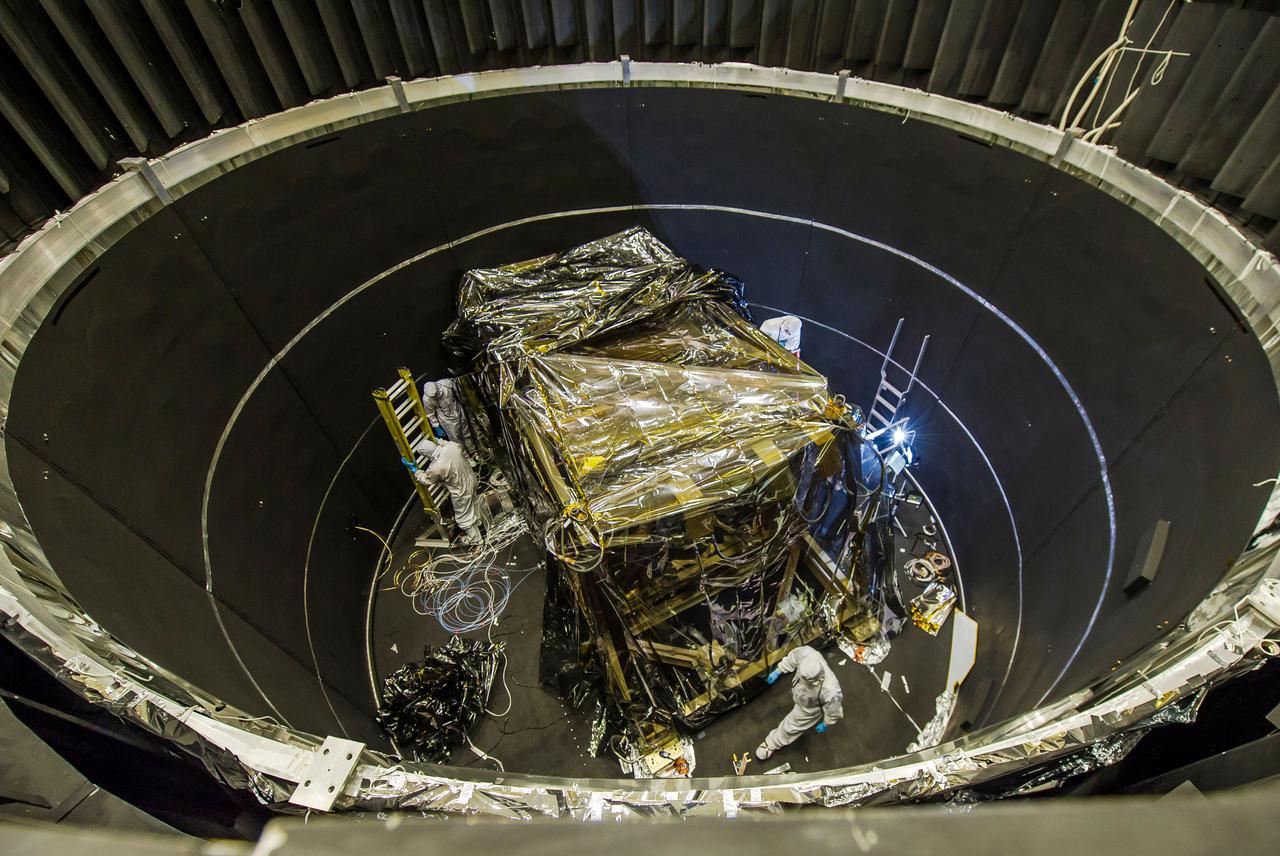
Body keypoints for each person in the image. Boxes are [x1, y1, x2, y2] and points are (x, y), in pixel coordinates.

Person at [755, 644, 843, 761]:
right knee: (799, 693)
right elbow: (793, 658)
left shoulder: (830, 690)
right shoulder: (808, 653)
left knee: (792, 726)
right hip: (800, 692)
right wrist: (779, 670)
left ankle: (771, 744)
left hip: (810, 708)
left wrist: (827, 723)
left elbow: (834, 710)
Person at [402, 439, 483, 544]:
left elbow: (427, 480)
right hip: (471, 479)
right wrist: (439, 440)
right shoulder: (452, 447)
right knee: (472, 504)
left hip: (461, 491)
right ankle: (478, 522)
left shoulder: (438, 466)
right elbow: (455, 445)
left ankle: (476, 540)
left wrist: (416, 471)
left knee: (463, 518)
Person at [422, 378, 479, 459]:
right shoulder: (427, 399)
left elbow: (459, 393)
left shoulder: (446, 384)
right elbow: (430, 414)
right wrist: (437, 426)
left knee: (467, 433)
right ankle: (466, 458)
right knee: (456, 440)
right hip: (447, 421)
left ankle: (474, 452)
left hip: (458, 411)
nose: (436, 396)